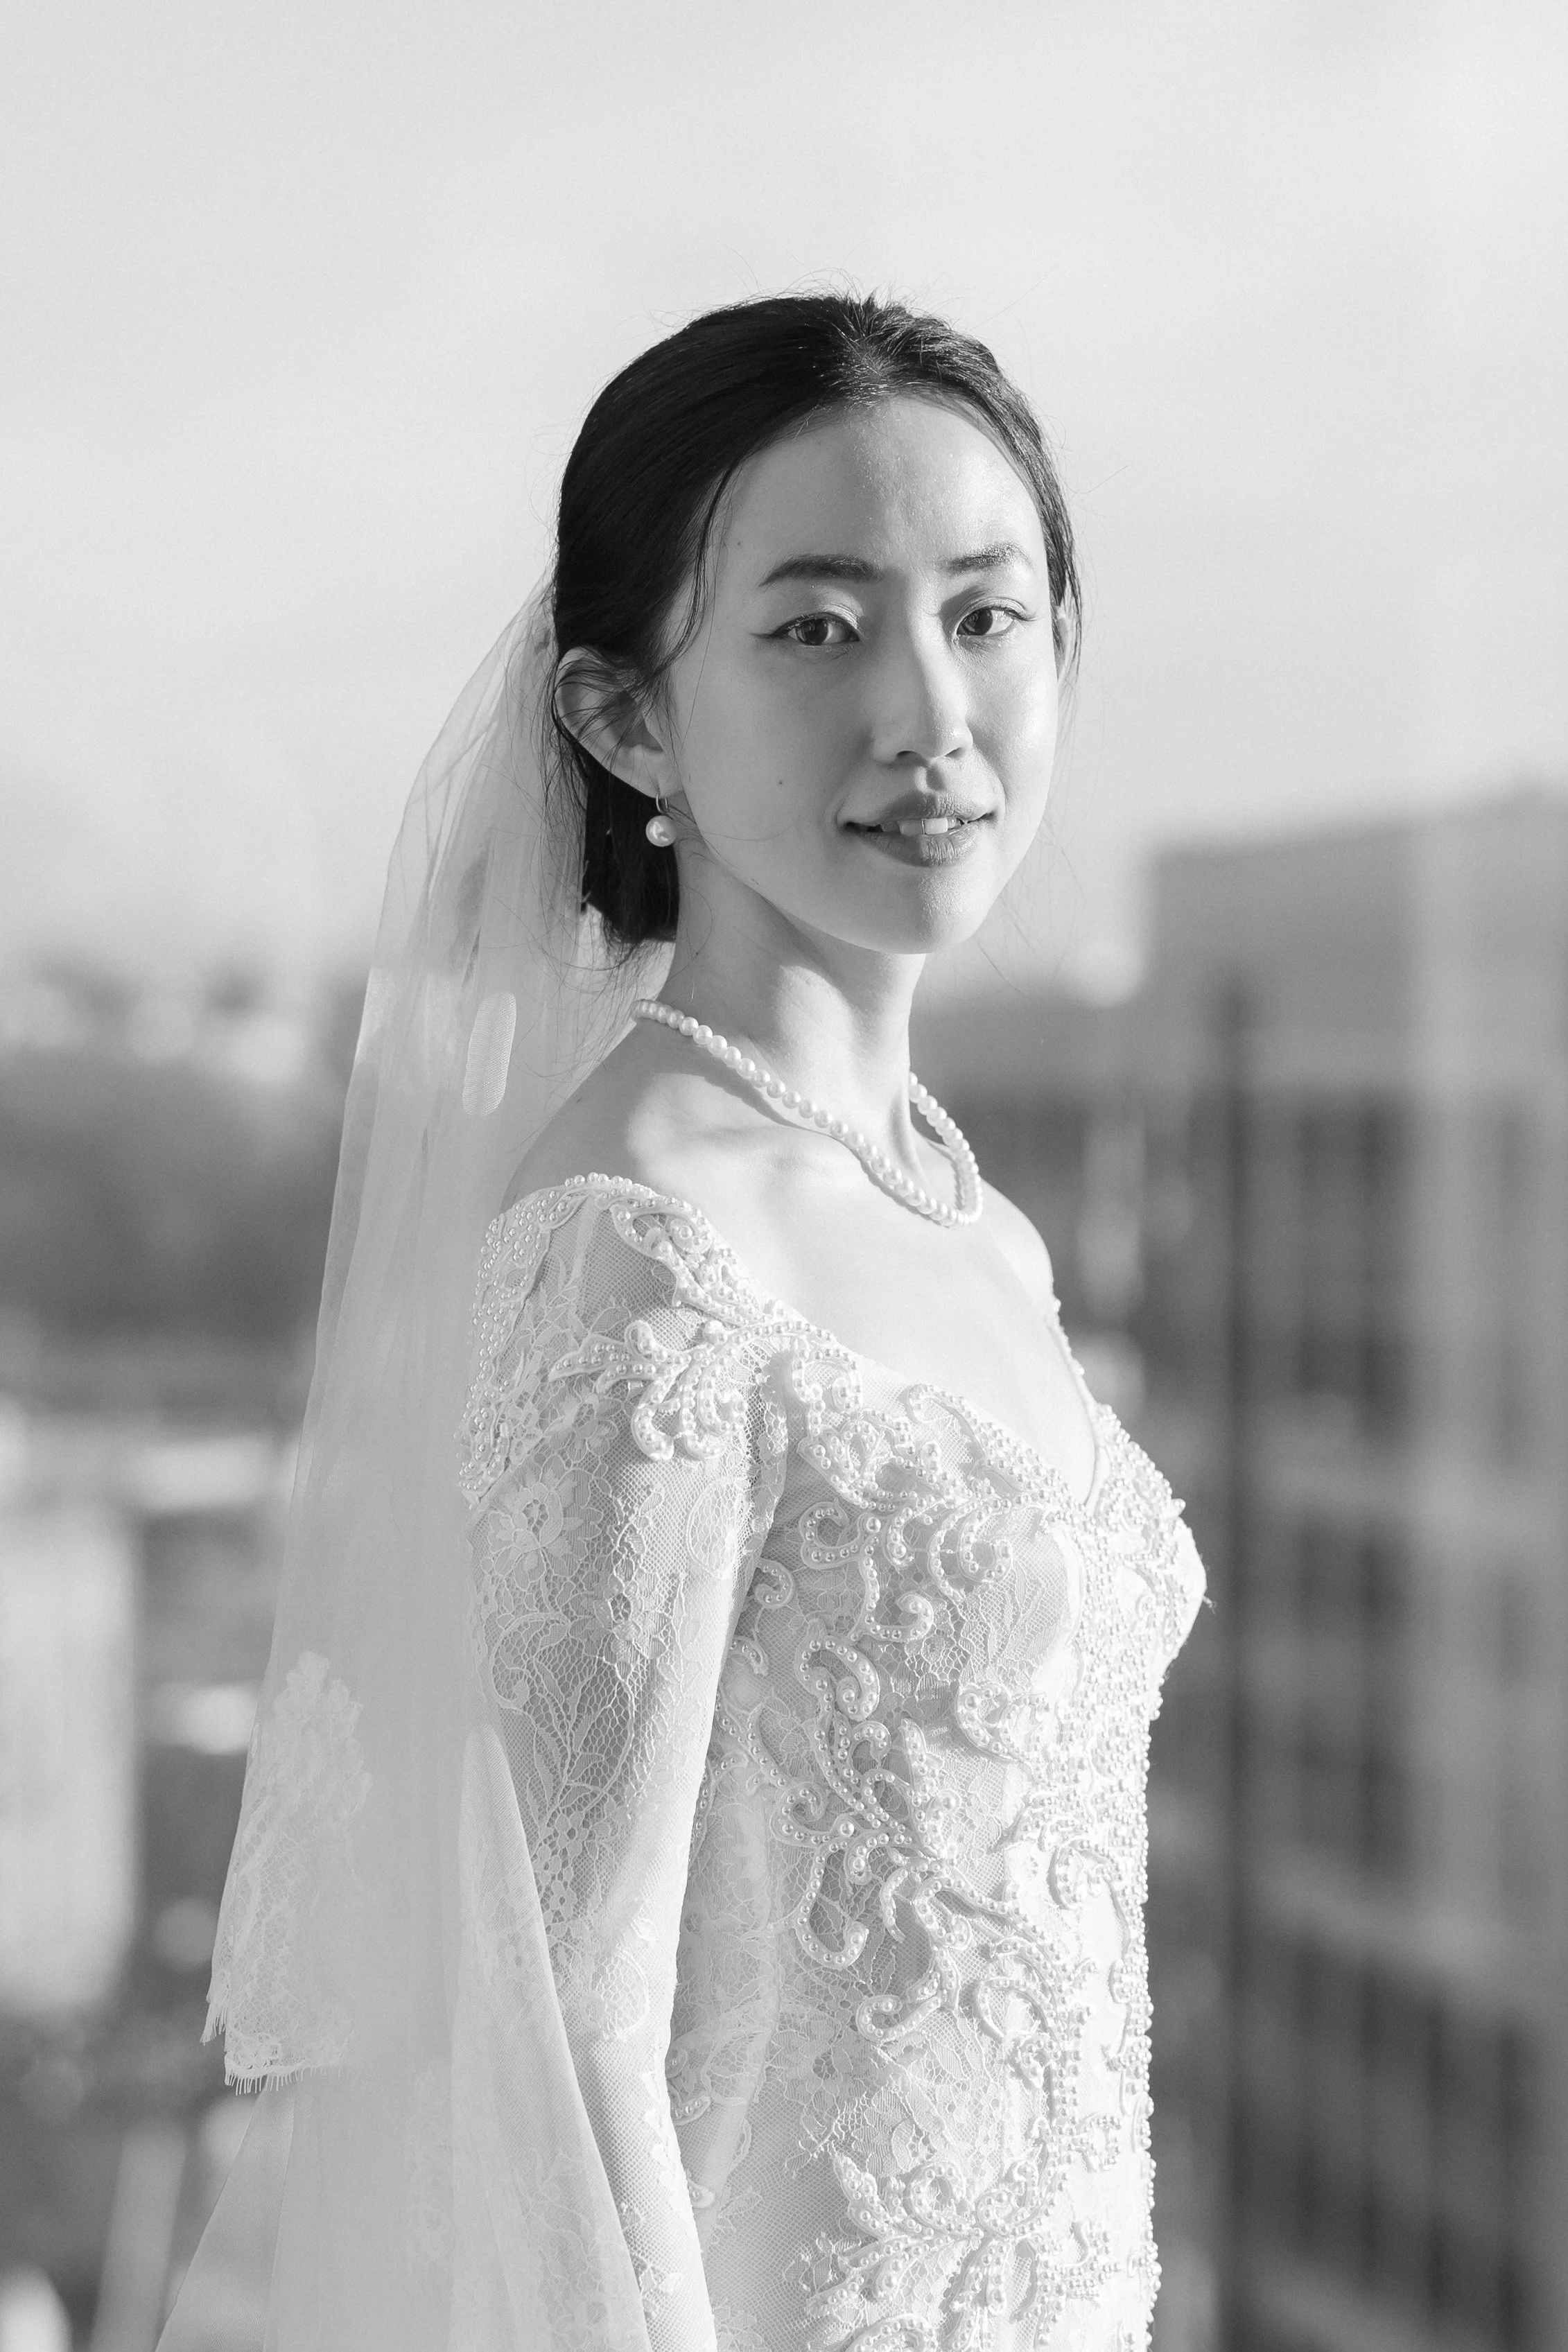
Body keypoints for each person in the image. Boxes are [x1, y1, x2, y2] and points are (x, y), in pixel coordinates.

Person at [159, 293, 1205, 2352]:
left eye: (987, 616)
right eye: (815, 628)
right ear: (625, 718)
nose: (928, 714)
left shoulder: (969, 1217)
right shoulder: (632, 1246)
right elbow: (542, 2054)